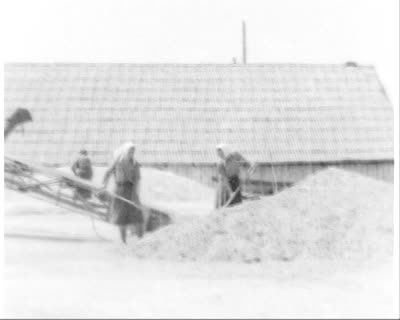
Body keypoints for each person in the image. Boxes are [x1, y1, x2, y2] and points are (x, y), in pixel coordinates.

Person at [102, 142, 144, 244]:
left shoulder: (135, 164)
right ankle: (124, 242)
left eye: (133, 151)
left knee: (137, 215)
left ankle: (140, 241)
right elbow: (108, 173)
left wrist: (135, 195)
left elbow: (137, 180)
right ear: (125, 151)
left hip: (131, 190)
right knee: (121, 218)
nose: (131, 153)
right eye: (130, 151)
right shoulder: (118, 162)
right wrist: (104, 185)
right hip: (119, 190)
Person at [215, 144, 253, 208]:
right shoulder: (220, 164)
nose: (220, 156)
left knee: (237, 201)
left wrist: (246, 173)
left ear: (226, 151)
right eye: (219, 154)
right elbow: (224, 179)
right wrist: (230, 191)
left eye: (222, 154)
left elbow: (246, 164)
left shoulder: (235, 155)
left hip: (236, 179)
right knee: (226, 202)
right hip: (225, 184)